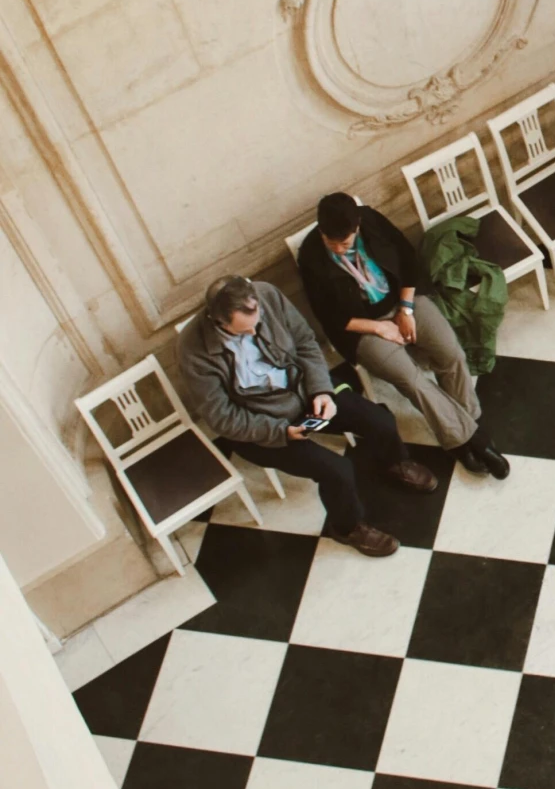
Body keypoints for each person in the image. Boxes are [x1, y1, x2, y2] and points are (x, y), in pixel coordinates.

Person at [178, 275, 434, 558]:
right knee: (337, 470)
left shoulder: (268, 294)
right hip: (259, 426)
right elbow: (222, 418)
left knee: (380, 420)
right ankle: (347, 528)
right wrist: (280, 432)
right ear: (219, 323)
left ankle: (393, 462)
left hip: (304, 389)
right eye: (243, 331)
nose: (253, 334)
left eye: (257, 323)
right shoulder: (193, 349)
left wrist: (322, 391)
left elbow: (305, 343)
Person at [297, 194, 509, 481]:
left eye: (344, 243)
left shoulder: (370, 220)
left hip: (403, 302)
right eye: (330, 242)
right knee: (412, 379)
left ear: (356, 227)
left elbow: (409, 262)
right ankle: (467, 441)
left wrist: (406, 310)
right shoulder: (310, 255)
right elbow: (328, 317)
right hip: (363, 327)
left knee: (452, 354)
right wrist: (379, 328)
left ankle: (466, 423)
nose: (337, 249)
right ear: (321, 230)